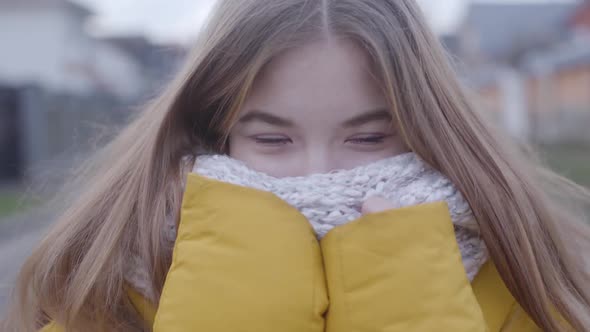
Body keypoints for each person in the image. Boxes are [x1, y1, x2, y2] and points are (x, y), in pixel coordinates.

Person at [3, 0, 590, 331]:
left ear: (431, 132)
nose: (317, 173)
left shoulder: (526, 275)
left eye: (367, 137)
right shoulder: (119, 278)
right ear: (217, 134)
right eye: (273, 140)